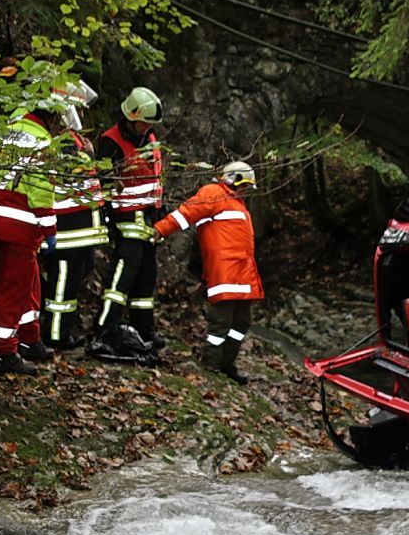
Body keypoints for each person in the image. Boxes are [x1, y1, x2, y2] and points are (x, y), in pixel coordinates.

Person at [0, 88, 75, 375]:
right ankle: (4, 353)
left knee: (29, 280)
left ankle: (30, 339)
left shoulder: (1, 131)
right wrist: (49, 227)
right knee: (14, 287)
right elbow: (41, 188)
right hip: (20, 223)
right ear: (51, 116)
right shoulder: (41, 140)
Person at [153, 161, 263, 384]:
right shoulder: (213, 194)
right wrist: (159, 230)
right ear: (233, 179)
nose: (246, 191)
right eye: (244, 186)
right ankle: (211, 364)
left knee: (241, 323)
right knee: (221, 322)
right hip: (225, 273)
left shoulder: (237, 203)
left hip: (243, 273)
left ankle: (227, 363)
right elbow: (185, 214)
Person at [88, 87, 167, 360]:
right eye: (143, 122)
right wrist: (109, 219)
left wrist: (159, 210)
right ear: (130, 118)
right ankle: (105, 328)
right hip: (126, 220)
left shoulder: (150, 137)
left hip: (149, 219)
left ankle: (144, 330)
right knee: (122, 277)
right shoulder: (111, 142)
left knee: (146, 279)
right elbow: (104, 185)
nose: (147, 128)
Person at [40, 80, 108, 350]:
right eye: (78, 109)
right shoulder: (62, 143)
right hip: (67, 231)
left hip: (81, 230)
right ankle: (56, 335)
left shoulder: (76, 139)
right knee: (62, 287)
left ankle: (61, 330)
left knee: (72, 281)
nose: (81, 114)